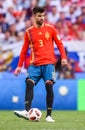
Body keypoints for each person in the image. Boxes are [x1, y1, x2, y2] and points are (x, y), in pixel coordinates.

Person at [14, 6, 67, 122]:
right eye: (39, 16)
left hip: (49, 63)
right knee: (29, 82)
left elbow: (60, 44)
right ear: (34, 17)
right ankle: (27, 111)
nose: (42, 18)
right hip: (35, 64)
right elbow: (24, 50)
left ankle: (49, 115)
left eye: (43, 16)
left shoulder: (51, 29)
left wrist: (63, 57)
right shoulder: (29, 32)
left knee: (49, 85)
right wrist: (19, 66)